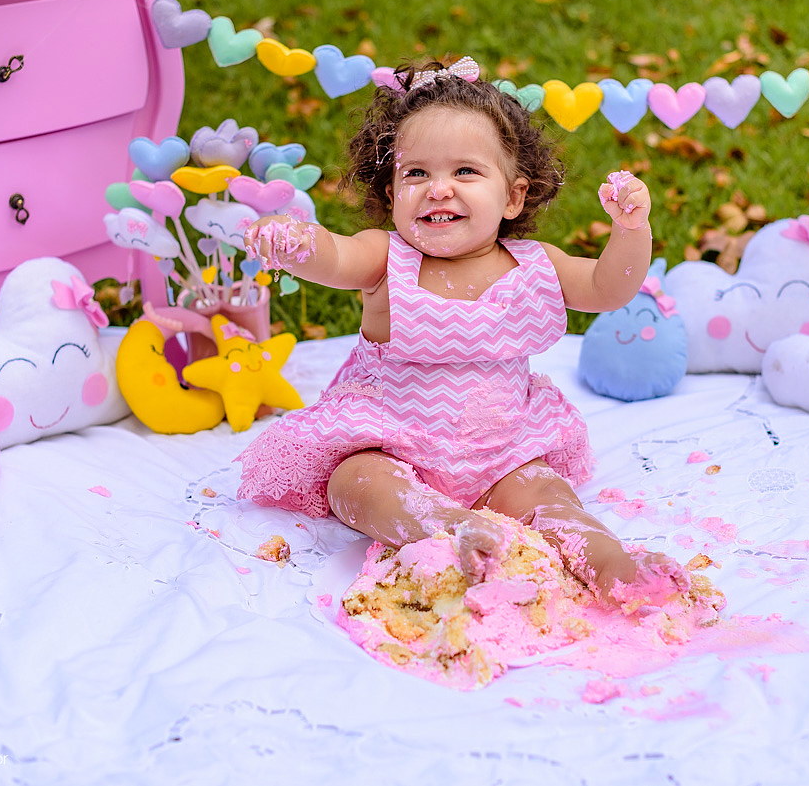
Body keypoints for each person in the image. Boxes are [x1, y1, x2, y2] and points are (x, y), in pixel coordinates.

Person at [237, 59, 690, 613]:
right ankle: (447, 526)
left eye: (466, 173)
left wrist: (630, 230)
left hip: (503, 450)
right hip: (393, 441)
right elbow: (334, 254)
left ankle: (614, 566)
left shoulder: (533, 265)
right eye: (417, 174)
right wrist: (295, 241)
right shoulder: (386, 259)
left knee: (549, 496)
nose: (438, 189)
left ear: (514, 197)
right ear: (392, 190)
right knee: (355, 483)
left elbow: (606, 287)